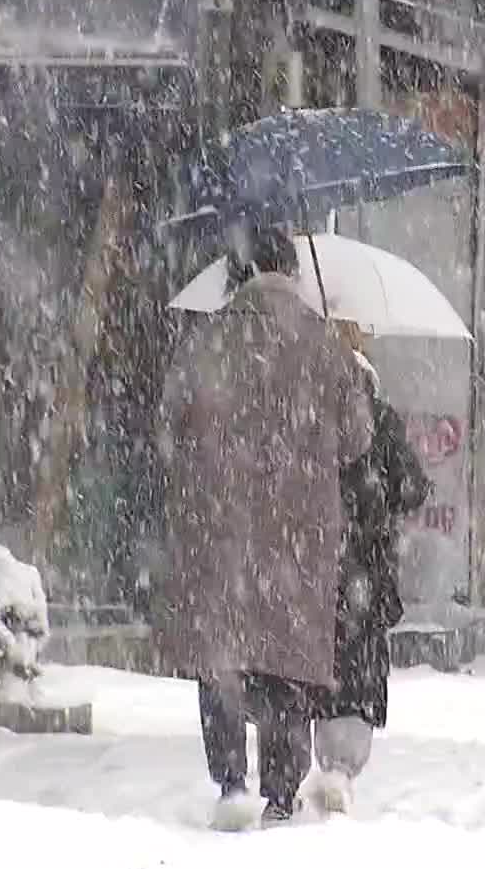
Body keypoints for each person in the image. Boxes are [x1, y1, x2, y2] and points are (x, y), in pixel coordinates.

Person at [157, 225, 375, 829]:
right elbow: (358, 441)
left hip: (222, 526)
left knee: (223, 652)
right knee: (287, 657)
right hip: (301, 533)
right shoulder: (322, 343)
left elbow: (171, 422)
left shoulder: (208, 340)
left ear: (237, 274)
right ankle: (282, 790)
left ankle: (231, 783)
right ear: (291, 273)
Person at [311, 322, 429, 814]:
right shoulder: (379, 420)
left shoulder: (307, 419)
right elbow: (413, 488)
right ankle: (343, 769)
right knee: (358, 667)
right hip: (368, 567)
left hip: (315, 565)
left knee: (320, 667)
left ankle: (324, 763)